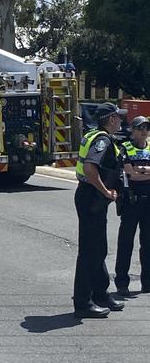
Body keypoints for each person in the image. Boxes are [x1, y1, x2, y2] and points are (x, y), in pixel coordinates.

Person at [73, 102, 127, 318]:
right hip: (92, 197)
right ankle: (83, 303)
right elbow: (89, 168)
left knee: (99, 249)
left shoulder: (95, 135)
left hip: (90, 197)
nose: (121, 121)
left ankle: (100, 294)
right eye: (118, 117)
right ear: (111, 119)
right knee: (90, 252)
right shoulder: (102, 140)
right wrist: (105, 191)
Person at [115, 116, 150, 296]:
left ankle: (147, 283)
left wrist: (139, 170)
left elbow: (136, 172)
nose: (144, 131)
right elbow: (130, 175)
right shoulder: (125, 148)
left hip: (148, 202)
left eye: (146, 128)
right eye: (140, 128)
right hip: (131, 200)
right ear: (132, 130)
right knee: (126, 243)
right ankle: (122, 283)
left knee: (148, 244)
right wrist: (144, 172)